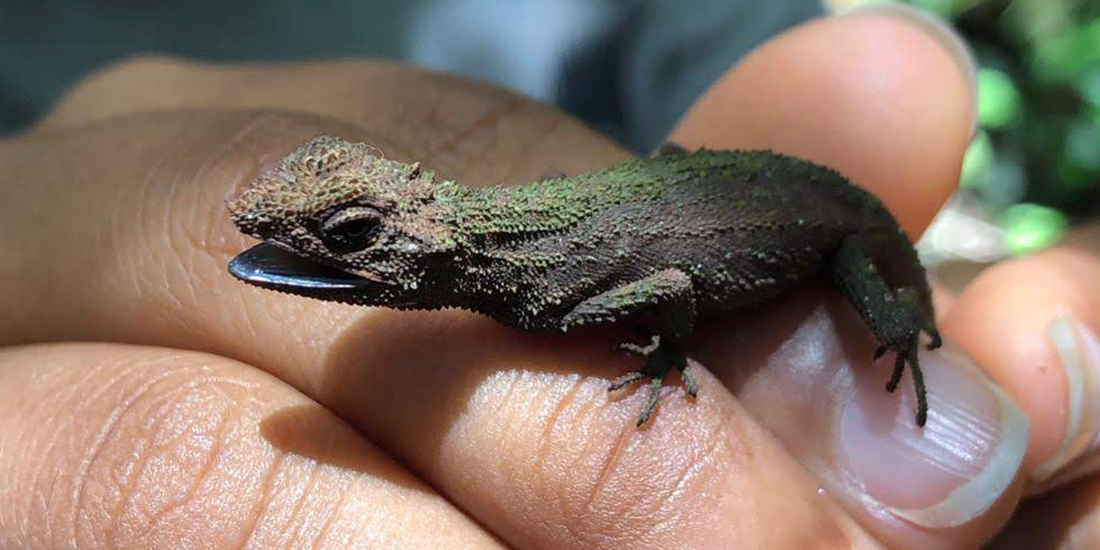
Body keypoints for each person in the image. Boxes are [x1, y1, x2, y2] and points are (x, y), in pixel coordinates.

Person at [0, 4, 1097, 549]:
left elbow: (664, 291)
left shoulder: (535, 290)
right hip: (720, 185)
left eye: (343, 229)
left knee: (883, 322)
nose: (304, 239)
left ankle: (901, 322)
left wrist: (672, 353)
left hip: (826, 227)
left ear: (411, 242)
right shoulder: (489, 274)